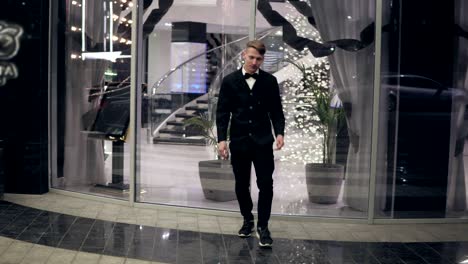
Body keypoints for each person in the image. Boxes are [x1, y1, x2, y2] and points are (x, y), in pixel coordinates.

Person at [216, 40, 285, 248]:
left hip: (263, 142)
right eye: (252, 57)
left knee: (266, 184)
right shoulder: (229, 81)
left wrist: (280, 133)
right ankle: (247, 220)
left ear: (262, 60)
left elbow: (276, 111)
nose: (255, 62)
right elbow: (222, 113)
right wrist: (221, 139)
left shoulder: (270, 81)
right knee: (241, 184)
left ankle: (263, 226)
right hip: (239, 142)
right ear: (243, 56)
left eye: (259, 59)